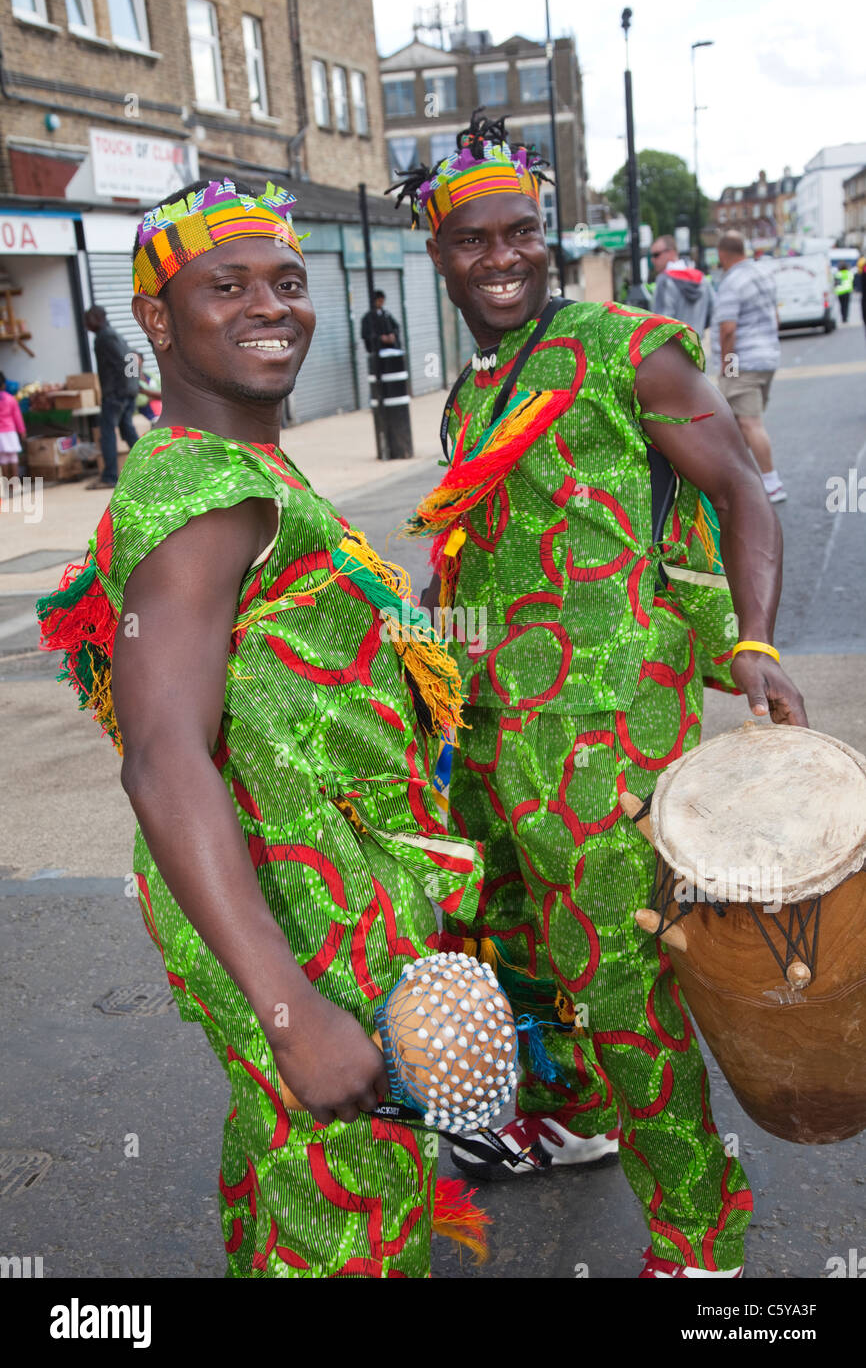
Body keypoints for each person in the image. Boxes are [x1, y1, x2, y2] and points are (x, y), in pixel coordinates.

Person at [37, 178, 483, 1278]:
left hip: (327, 895)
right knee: (349, 1220)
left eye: (286, 282)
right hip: (294, 927)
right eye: (224, 286)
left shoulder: (245, 470)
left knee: (293, 1179)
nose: (269, 306)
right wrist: (291, 1011)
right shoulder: (203, 494)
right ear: (155, 317)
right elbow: (161, 758)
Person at [392, 112, 808, 1278]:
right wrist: (427, 662)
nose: (505, 256)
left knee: (627, 987)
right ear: (439, 253)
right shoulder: (472, 395)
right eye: (476, 240)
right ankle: (569, 1117)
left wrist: (755, 644)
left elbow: (742, 488)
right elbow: (481, 555)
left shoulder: (632, 349)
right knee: (514, 949)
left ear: (546, 233)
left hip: (606, 746)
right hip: (491, 739)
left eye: (522, 231)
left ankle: (695, 1238)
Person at [710, 232, 785, 503]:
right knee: (738, 423)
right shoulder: (762, 274)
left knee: (749, 423)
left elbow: (728, 329)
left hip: (743, 362)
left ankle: (771, 482)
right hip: (767, 358)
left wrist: (728, 366)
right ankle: (739, 480)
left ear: (722, 254)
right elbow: (775, 317)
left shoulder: (732, 283)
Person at [83, 304, 140, 490]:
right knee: (127, 431)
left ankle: (109, 476)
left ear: (98, 318)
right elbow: (132, 357)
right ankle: (152, 466)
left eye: (88, 320)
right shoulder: (113, 334)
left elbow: (127, 360)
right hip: (125, 392)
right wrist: (132, 387)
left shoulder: (105, 338)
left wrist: (124, 389)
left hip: (116, 394)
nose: (86, 325)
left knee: (107, 433)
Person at [650, 234, 715, 336]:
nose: (652, 260)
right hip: (697, 346)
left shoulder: (664, 281)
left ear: (671, 252)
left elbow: (661, 323)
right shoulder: (702, 278)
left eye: (656, 255)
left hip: (673, 348)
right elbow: (713, 311)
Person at [0, 371, 26, 479]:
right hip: (10, 431)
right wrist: (22, 431)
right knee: (13, 457)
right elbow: (17, 417)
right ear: (4, 384)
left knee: (3, 458)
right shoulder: (10, 399)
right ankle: (15, 484)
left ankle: (7, 485)